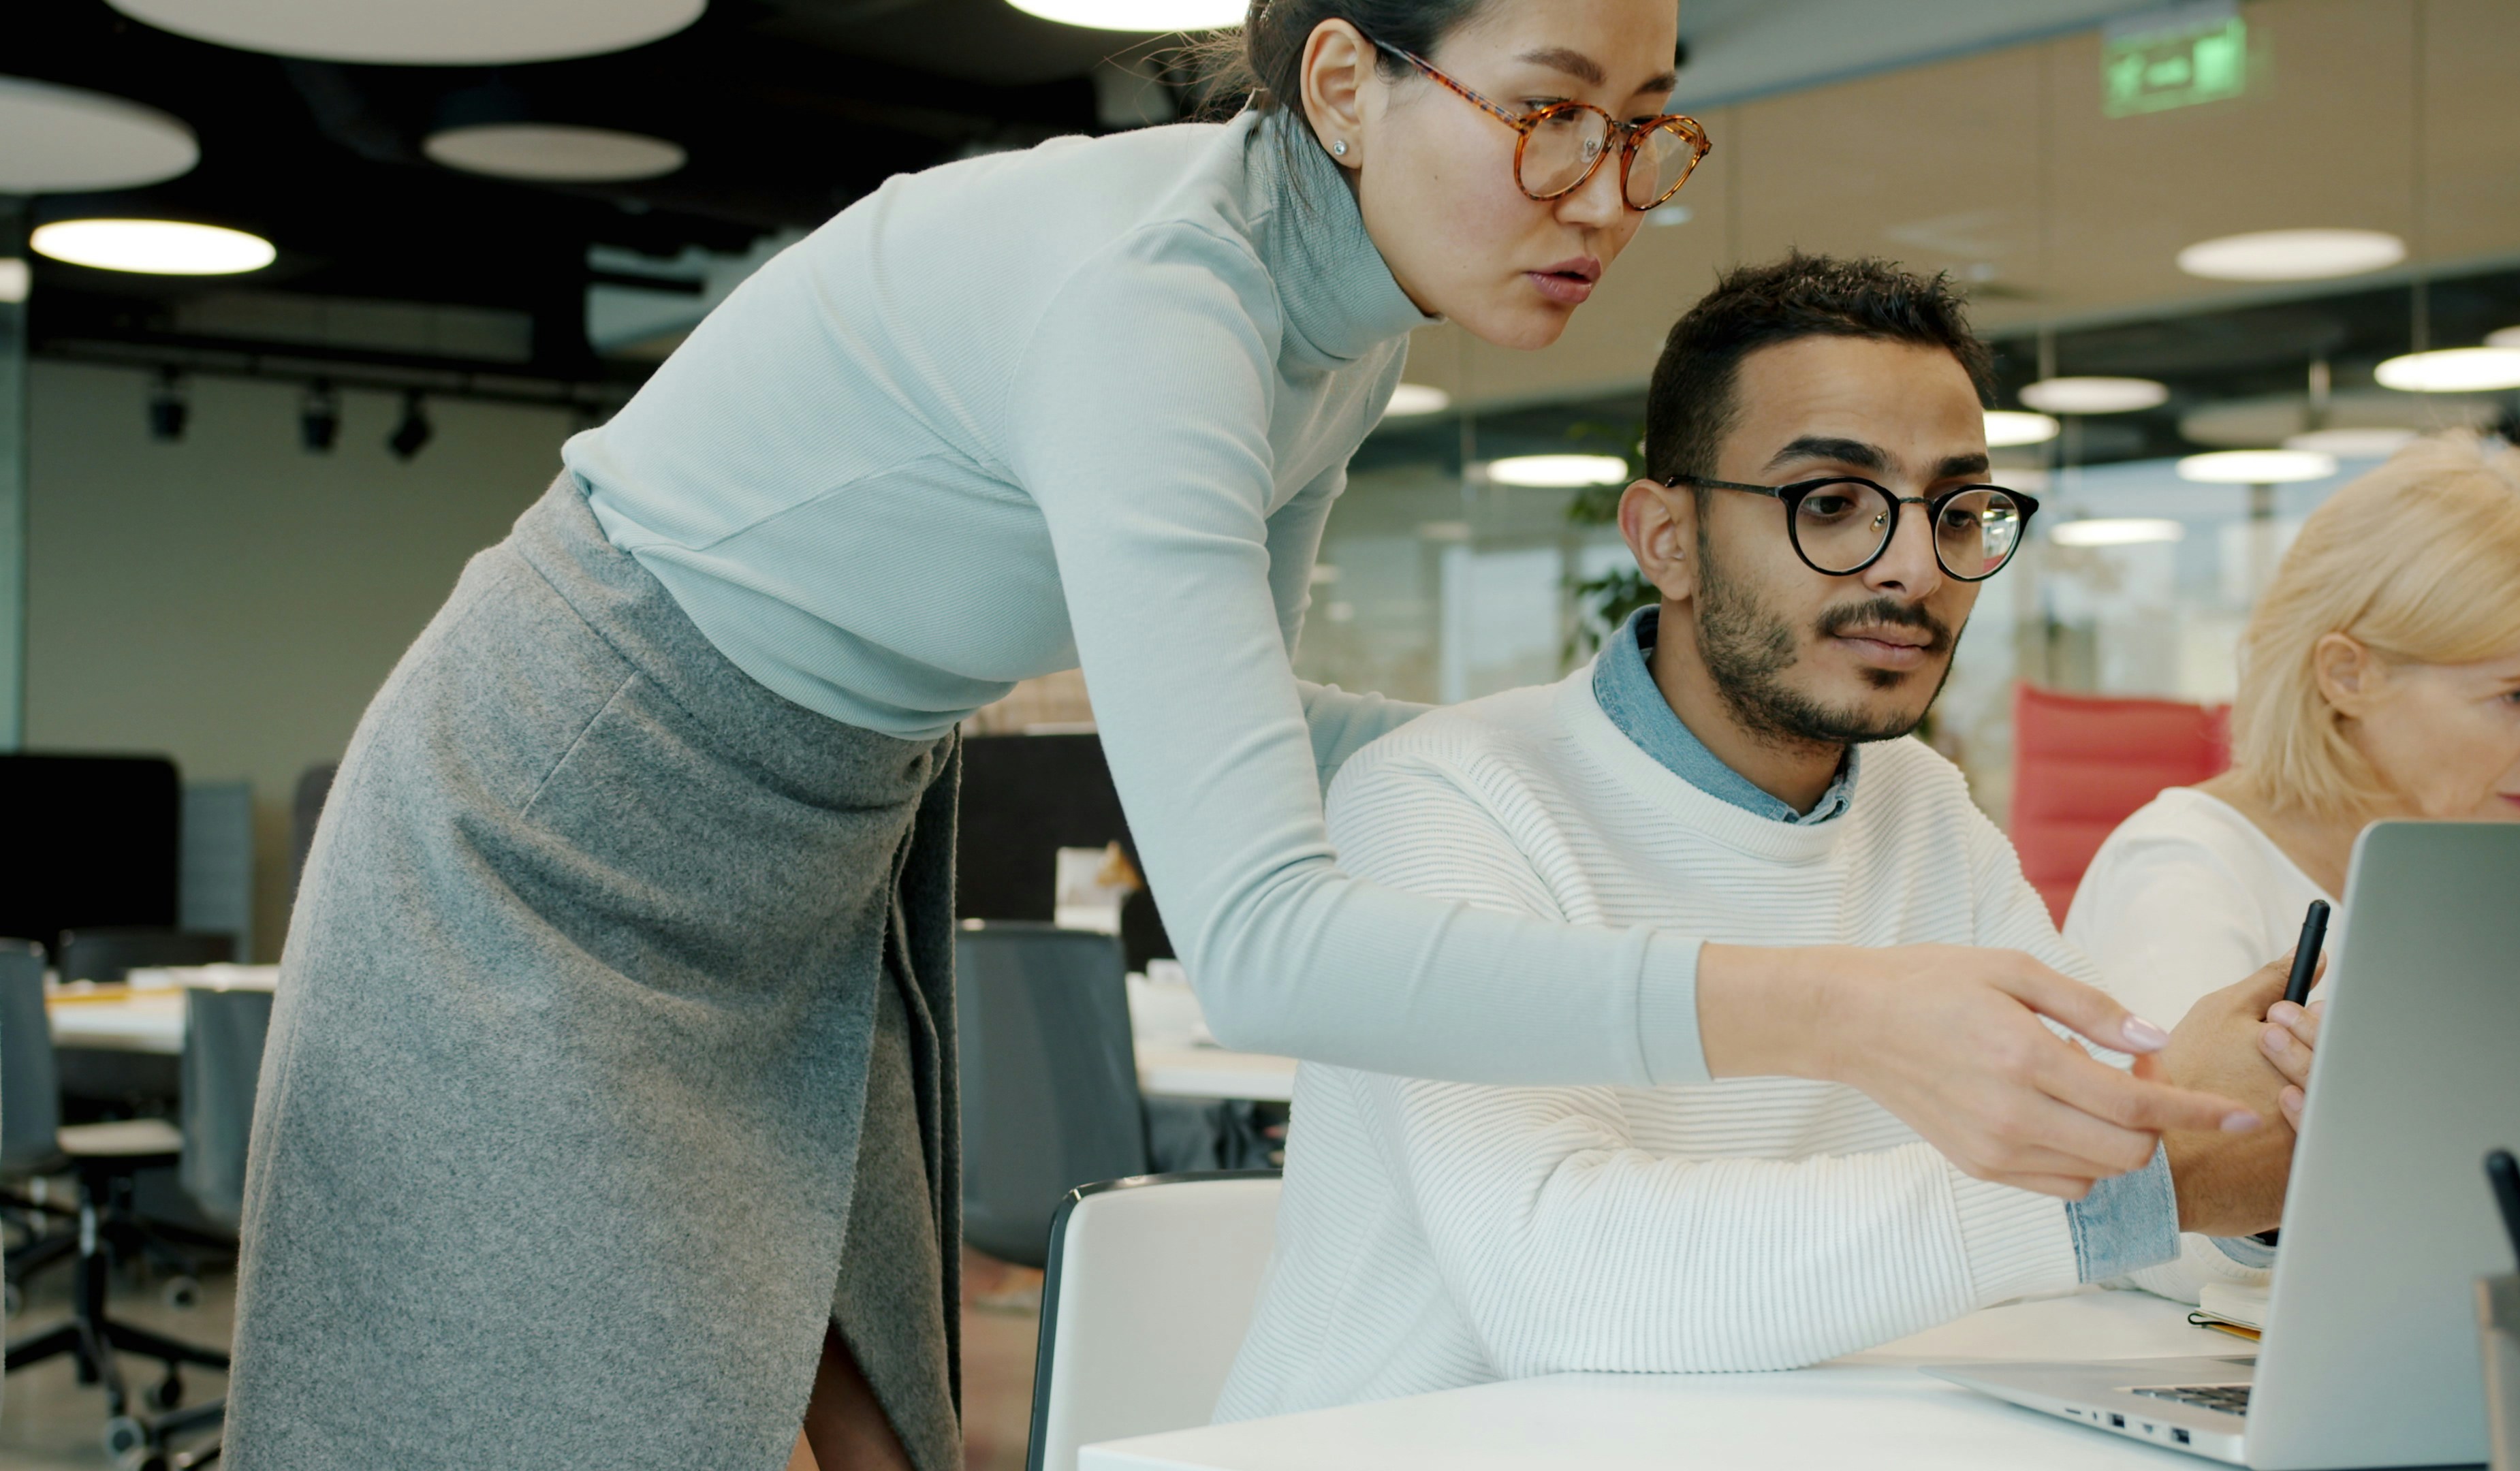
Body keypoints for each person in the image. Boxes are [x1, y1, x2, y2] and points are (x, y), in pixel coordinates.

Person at [227, 4, 2252, 1467]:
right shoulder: (1162, 308)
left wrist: (1587, 761)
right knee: (563, 1415)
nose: (1604, 194)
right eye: (1547, 114)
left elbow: (1226, 711)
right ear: (1347, 83)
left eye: (1645, 130)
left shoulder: (1339, 320)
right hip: (567, 813)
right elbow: (1268, 942)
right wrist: (1824, 1005)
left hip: (828, 820)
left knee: (837, 1409)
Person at [1216, 256, 2303, 1419]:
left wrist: (2255, 1158)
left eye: (1957, 510)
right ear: (1667, 538)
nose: (1914, 567)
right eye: (1831, 502)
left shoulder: (1922, 807)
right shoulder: (1444, 801)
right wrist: (2140, 1184)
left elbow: (2119, 1174)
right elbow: (1559, 1285)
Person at [2066, 433, 2520, 1128]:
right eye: (2517, 696)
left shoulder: (2459, 863)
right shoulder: (2185, 879)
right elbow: (2176, 1206)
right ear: (2349, 675)